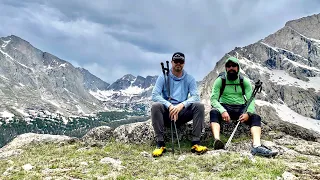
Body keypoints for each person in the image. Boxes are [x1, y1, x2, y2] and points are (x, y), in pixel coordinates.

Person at [210, 56, 278, 157]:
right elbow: (213, 99)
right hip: (225, 107)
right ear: (226, 68)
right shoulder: (220, 80)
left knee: (256, 118)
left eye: (234, 66)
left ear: (238, 68)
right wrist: (222, 110)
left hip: (241, 108)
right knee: (214, 112)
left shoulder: (244, 81)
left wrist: (248, 113)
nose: (231, 68)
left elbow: (251, 99)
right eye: (228, 66)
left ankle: (257, 146)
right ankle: (217, 141)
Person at [151, 52, 208, 157]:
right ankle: (160, 144)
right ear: (172, 62)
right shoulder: (163, 77)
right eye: (176, 61)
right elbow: (154, 95)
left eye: (180, 61)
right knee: (155, 107)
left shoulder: (189, 78)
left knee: (199, 106)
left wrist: (181, 105)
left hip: (182, 112)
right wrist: (169, 106)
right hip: (167, 113)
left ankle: (196, 143)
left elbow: (196, 97)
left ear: (184, 63)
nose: (178, 63)